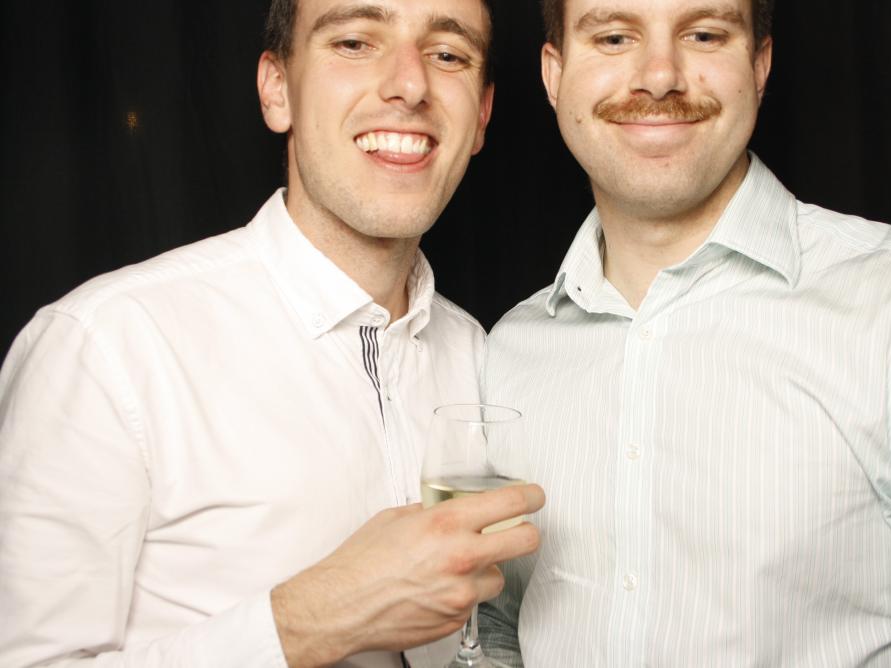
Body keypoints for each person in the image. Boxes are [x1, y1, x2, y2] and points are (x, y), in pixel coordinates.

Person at [0, 1, 545, 666]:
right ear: (277, 89)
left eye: (448, 54)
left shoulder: (479, 352)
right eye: (354, 42)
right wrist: (313, 618)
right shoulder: (107, 345)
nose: (409, 84)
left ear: (481, 115)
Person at [480, 0, 891, 665]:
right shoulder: (507, 353)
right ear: (554, 76)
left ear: (760, 64)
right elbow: (493, 630)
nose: (660, 76)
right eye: (613, 37)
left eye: (703, 34)